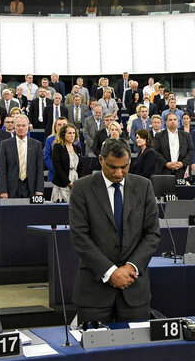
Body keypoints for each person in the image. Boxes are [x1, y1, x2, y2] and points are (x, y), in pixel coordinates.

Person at [69, 138, 161, 323]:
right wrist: (111, 272)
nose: (119, 173)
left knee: (136, 351)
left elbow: (152, 233)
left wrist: (130, 267)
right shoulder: (82, 188)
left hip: (134, 290)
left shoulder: (144, 186)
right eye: (112, 167)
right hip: (94, 293)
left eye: (124, 167)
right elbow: (80, 236)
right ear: (101, 160)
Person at [0, 115, 44, 199]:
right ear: (14, 127)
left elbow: (40, 169)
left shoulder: (36, 145)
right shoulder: (5, 144)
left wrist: (39, 190)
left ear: (28, 127)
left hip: (31, 188)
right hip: (11, 188)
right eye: (18, 125)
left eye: (24, 125)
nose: (21, 128)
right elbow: (2, 170)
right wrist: (3, 191)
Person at [153, 114, 193, 179]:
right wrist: (166, 163)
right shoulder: (159, 135)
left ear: (178, 121)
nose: (173, 121)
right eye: (170, 120)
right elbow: (155, 151)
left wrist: (182, 163)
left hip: (182, 170)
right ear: (166, 122)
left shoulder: (186, 135)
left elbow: (191, 150)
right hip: (164, 171)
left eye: (175, 119)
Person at [51, 122, 83, 203]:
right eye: (69, 133)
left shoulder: (77, 148)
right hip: (62, 183)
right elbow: (57, 167)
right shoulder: (58, 147)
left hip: (76, 182)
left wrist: (79, 183)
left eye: (73, 133)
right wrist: (68, 183)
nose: (72, 135)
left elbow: (81, 167)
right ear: (63, 134)